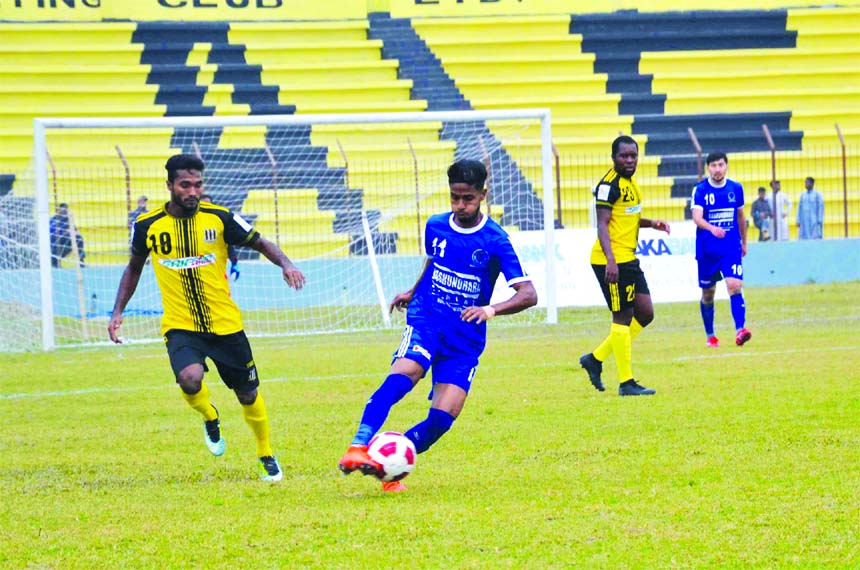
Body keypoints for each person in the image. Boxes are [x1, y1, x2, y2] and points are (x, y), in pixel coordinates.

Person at [337, 159, 537, 492]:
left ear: (483, 195)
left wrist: (490, 309)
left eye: (468, 199)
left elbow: (528, 294)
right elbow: (434, 262)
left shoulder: (495, 240)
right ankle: (358, 446)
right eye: (455, 197)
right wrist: (412, 291)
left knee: (444, 417)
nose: (460, 206)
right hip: (428, 318)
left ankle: (389, 463)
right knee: (408, 371)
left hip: (466, 339)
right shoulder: (436, 225)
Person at [108, 154, 306, 482]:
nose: (193, 191)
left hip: (225, 325)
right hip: (181, 324)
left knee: (248, 395)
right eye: (185, 185)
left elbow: (260, 242)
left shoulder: (220, 217)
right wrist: (117, 312)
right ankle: (209, 415)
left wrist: (287, 264)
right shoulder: (147, 226)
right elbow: (133, 267)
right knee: (189, 378)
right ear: (169, 185)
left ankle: (265, 452)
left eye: (198, 185)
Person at [578, 135, 670, 397]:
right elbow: (603, 224)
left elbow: (627, 218)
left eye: (633, 156)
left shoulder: (630, 183)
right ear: (613, 157)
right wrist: (610, 259)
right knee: (622, 317)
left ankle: (595, 359)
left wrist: (652, 223)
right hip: (613, 260)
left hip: (628, 259)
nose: (630, 160)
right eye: (624, 156)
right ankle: (626, 382)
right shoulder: (608, 186)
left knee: (645, 314)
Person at [691, 152, 752, 348]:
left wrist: (744, 242)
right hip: (707, 250)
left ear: (726, 166)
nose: (717, 169)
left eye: (721, 165)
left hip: (730, 248)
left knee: (734, 286)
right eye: (713, 166)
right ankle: (711, 335)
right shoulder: (700, 190)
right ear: (707, 168)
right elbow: (697, 217)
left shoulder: (736, 188)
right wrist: (712, 228)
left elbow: (741, 216)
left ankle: (740, 330)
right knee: (708, 293)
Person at [200, 194, 240, 280]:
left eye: (208, 205)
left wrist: (234, 263)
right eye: (203, 205)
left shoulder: (218, 223)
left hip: (215, 270)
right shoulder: (189, 224)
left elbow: (227, 244)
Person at [49, 202, 86, 268]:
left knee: (78, 238)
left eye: (65, 210)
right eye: (62, 210)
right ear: (58, 210)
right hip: (54, 244)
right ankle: (54, 260)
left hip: (65, 243)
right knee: (68, 237)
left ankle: (80, 259)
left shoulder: (68, 221)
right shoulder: (53, 221)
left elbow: (75, 231)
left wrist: (73, 232)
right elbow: (52, 235)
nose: (64, 212)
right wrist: (65, 233)